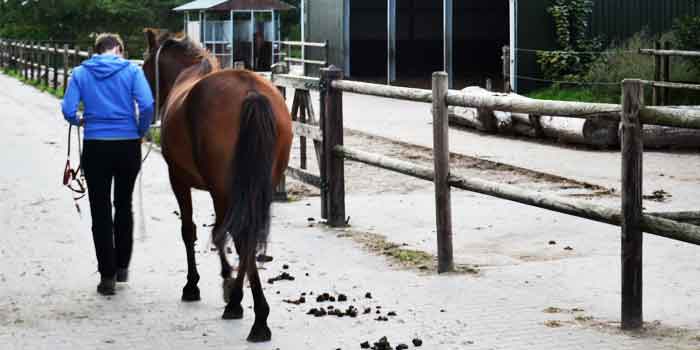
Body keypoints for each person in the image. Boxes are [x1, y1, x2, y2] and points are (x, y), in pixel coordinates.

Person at [61, 33, 154, 296]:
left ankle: (107, 275)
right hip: (127, 145)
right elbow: (146, 104)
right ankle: (123, 265)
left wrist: (81, 120)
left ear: (96, 50)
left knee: (100, 210)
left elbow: (68, 110)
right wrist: (139, 129)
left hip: (95, 146)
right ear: (119, 50)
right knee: (123, 204)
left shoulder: (81, 73)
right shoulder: (132, 71)